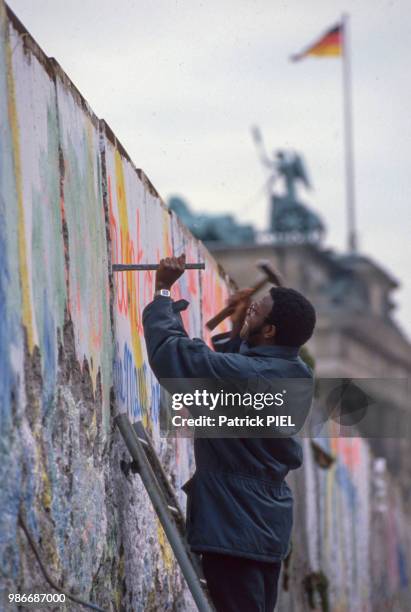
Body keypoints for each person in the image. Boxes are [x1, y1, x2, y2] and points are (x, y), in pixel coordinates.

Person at [142, 254, 316, 612]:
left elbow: (177, 359)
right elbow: (244, 371)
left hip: (233, 523)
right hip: (262, 526)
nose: (248, 310)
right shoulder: (296, 374)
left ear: (269, 331)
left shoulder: (250, 377)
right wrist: (241, 326)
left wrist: (162, 292)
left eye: (256, 312)